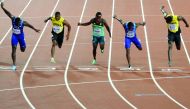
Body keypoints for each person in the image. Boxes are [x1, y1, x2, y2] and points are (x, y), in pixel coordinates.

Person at [1, 3, 40, 71]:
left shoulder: (23, 22)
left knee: (23, 50)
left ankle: (22, 46)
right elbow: (7, 13)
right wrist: (2, 7)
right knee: (14, 48)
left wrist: (35, 29)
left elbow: (30, 25)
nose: (17, 24)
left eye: (18, 23)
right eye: (16, 24)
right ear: (15, 21)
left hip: (21, 37)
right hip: (14, 36)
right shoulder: (13, 19)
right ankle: (14, 65)